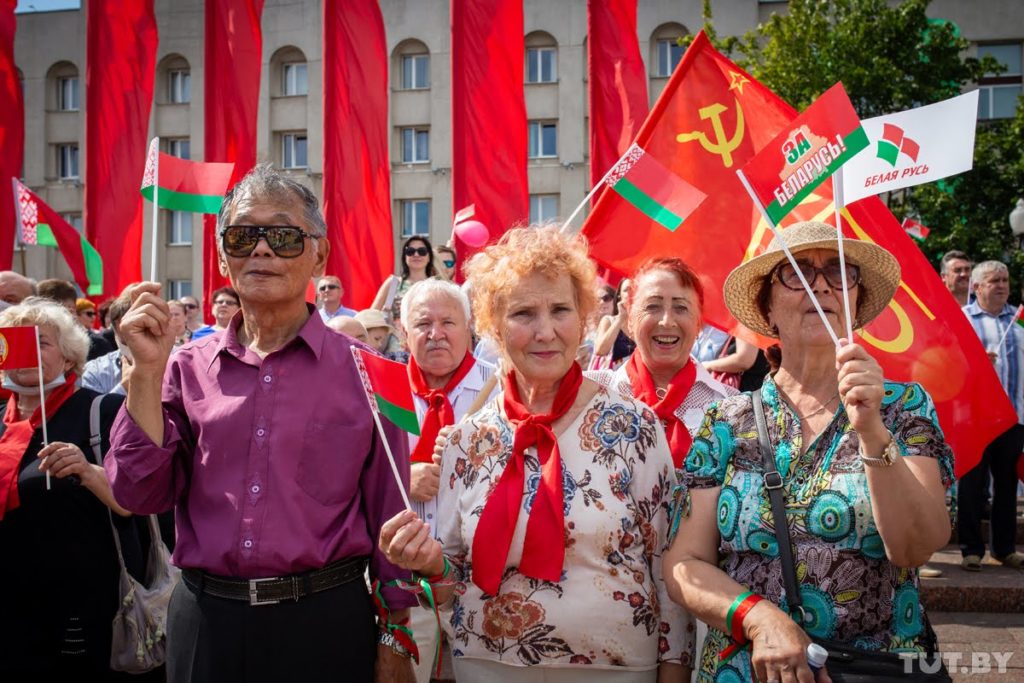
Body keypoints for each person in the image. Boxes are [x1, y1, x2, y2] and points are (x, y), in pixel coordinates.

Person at [104, 164, 416, 683]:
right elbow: (138, 494)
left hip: (325, 623)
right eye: (245, 235)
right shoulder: (181, 367)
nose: (263, 249)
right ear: (224, 256)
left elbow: (393, 519)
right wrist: (144, 373)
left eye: (285, 235)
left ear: (320, 253)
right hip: (206, 623)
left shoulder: (369, 372)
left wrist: (396, 637)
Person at [379, 226, 690, 681]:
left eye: (560, 309)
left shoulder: (634, 428)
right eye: (524, 313)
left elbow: (668, 564)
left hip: (616, 669)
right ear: (493, 327)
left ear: (583, 318)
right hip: (485, 666)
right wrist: (426, 564)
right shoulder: (466, 441)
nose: (545, 331)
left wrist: (675, 667)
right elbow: (446, 585)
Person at [663, 221, 954, 683]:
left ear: (855, 304)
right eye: (797, 273)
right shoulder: (726, 421)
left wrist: (873, 432)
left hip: (876, 670)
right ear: (768, 310)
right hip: (746, 670)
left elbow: (915, 546)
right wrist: (760, 620)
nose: (821, 285)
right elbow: (684, 564)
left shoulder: (904, 407)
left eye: (839, 273)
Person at [0, 298, 138, 680]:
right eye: (16, 340)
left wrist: (89, 471)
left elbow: (133, 503)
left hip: (79, 607)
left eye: (41, 342)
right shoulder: (0, 421)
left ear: (68, 356)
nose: (28, 350)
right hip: (9, 611)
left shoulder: (102, 410)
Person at [399, 278, 497, 683]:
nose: (436, 334)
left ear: (470, 326)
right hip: (404, 592)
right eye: (423, 324)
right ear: (404, 334)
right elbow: (345, 470)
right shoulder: (379, 389)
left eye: (448, 323)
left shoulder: (503, 389)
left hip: (481, 590)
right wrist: (405, 477)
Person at [587, 257, 737, 469]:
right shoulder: (589, 394)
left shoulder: (732, 408)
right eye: (653, 306)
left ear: (698, 322)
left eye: (681, 308)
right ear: (629, 318)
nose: (667, 321)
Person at [960, 260, 1024, 570]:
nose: (1001, 285)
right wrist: (974, 361)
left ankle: (1004, 548)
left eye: (1005, 279)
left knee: (1007, 485)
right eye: (994, 280)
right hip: (973, 418)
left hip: (1012, 417)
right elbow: (947, 363)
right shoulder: (962, 319)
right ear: (977, 287)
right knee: (971, 484)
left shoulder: (1019, 320)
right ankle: (971, 549)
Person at [371, 235, 439, 329]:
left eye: (422, 251)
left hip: (428, 338)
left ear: (429, 257)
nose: (416, 255)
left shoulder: (437, 285)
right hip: (397, 340)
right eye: (410, 251)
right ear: (405, 256)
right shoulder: (393, 283)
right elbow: (371, 315)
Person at [82, 296, 133, 395]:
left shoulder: (171, 362)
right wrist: (124, 387)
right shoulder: (95, 371)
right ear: (119, 325)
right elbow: (93, 409)